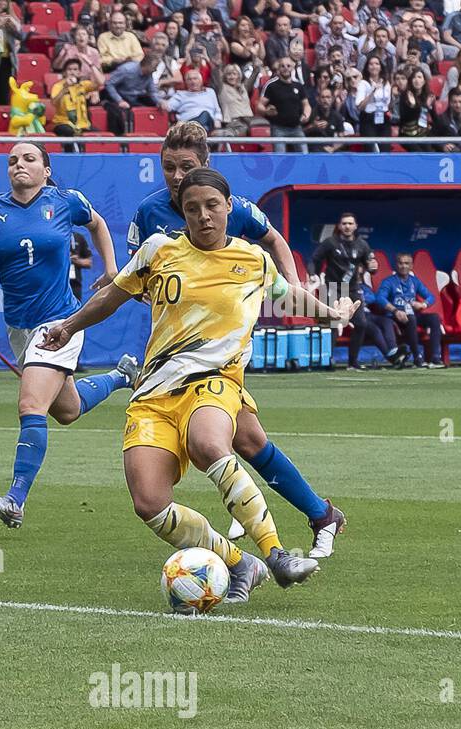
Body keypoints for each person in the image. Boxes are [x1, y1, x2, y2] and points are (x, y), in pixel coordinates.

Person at [39, 168, 352, 601]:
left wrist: (334, 314)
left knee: (210, 443)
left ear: (228, 207)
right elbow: (113, 294)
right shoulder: (158, 250)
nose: (203, 216)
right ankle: (241, 563)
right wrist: (69, 327)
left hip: (216, 381)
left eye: (211, 206)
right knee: (149, 503)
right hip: (153, 394)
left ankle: (277, 553)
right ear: (182, 214)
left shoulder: (252, 260)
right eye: (192, 209)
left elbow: (289, 297)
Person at [125, 123, 346, 556]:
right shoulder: (149, 213)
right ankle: (321, 516)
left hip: (222, 346)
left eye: (184, 166)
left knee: (223, 441)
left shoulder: (232, 207)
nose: (174, 175)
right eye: (167, 166)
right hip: (176, 349)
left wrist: (290, 288)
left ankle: (269, 546)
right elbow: (141, 275)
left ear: (205, 166)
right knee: (249, 440)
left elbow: (273, 240)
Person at [0, 143, 135, 530]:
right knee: (66, 410)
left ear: (47, 170)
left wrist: (111, 267)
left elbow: (96, 223)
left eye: (29, 159)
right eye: (12, 160)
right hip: (18, 325)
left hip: (61, 319)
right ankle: (122, 376)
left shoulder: (66, 201)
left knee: (31, 403)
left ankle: (15, 499)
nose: (19, 165)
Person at [379, 252, 444, 368]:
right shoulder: (389, 281)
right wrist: (395, 311)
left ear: (411, 266)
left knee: (434, 318)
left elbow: (431, 297)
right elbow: (379, 298)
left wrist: (423, 304)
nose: (403, 266)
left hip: (411, 314)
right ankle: (417, 358)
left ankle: (435, 358)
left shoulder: (414, 281)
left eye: (406, 263)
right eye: (400, 263)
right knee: (412, 318)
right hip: (395, 317)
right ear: (396, 265)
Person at [310, 212, 375, 297]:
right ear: (339, 226)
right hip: (332, 286)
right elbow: (314, 260)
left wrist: (372, 267)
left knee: (358, 308)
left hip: (352, 288)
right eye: (344, 223)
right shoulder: (330, 242)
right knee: (330, 309)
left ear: (355, 226)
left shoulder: (362, 244)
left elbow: (370, 267)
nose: (347, 226)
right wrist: (313, 274)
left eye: (350, 223)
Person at [259, 56, 309, 151]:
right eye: (282, 66)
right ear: (278, 68)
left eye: (288, 66)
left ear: (292, 68)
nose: (285, 68)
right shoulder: (271, 85)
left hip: (296, 128)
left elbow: (306, 104)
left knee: (305, 157)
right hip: (279, 129)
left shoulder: (298, 85)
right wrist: (266, 111)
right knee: (279, 158)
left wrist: (306, 114)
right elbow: (260, 105)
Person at [103, 53, 160, 135]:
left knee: (151, 109)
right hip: (118, 98)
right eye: (155, 67)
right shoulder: (126, 70)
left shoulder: (149, 75)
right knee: (116, 114)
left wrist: (159, 102)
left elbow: (152, 91)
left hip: (134, 98)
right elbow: (109, 84)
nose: (156, 70)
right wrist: (119, 100)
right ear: (147, 65)